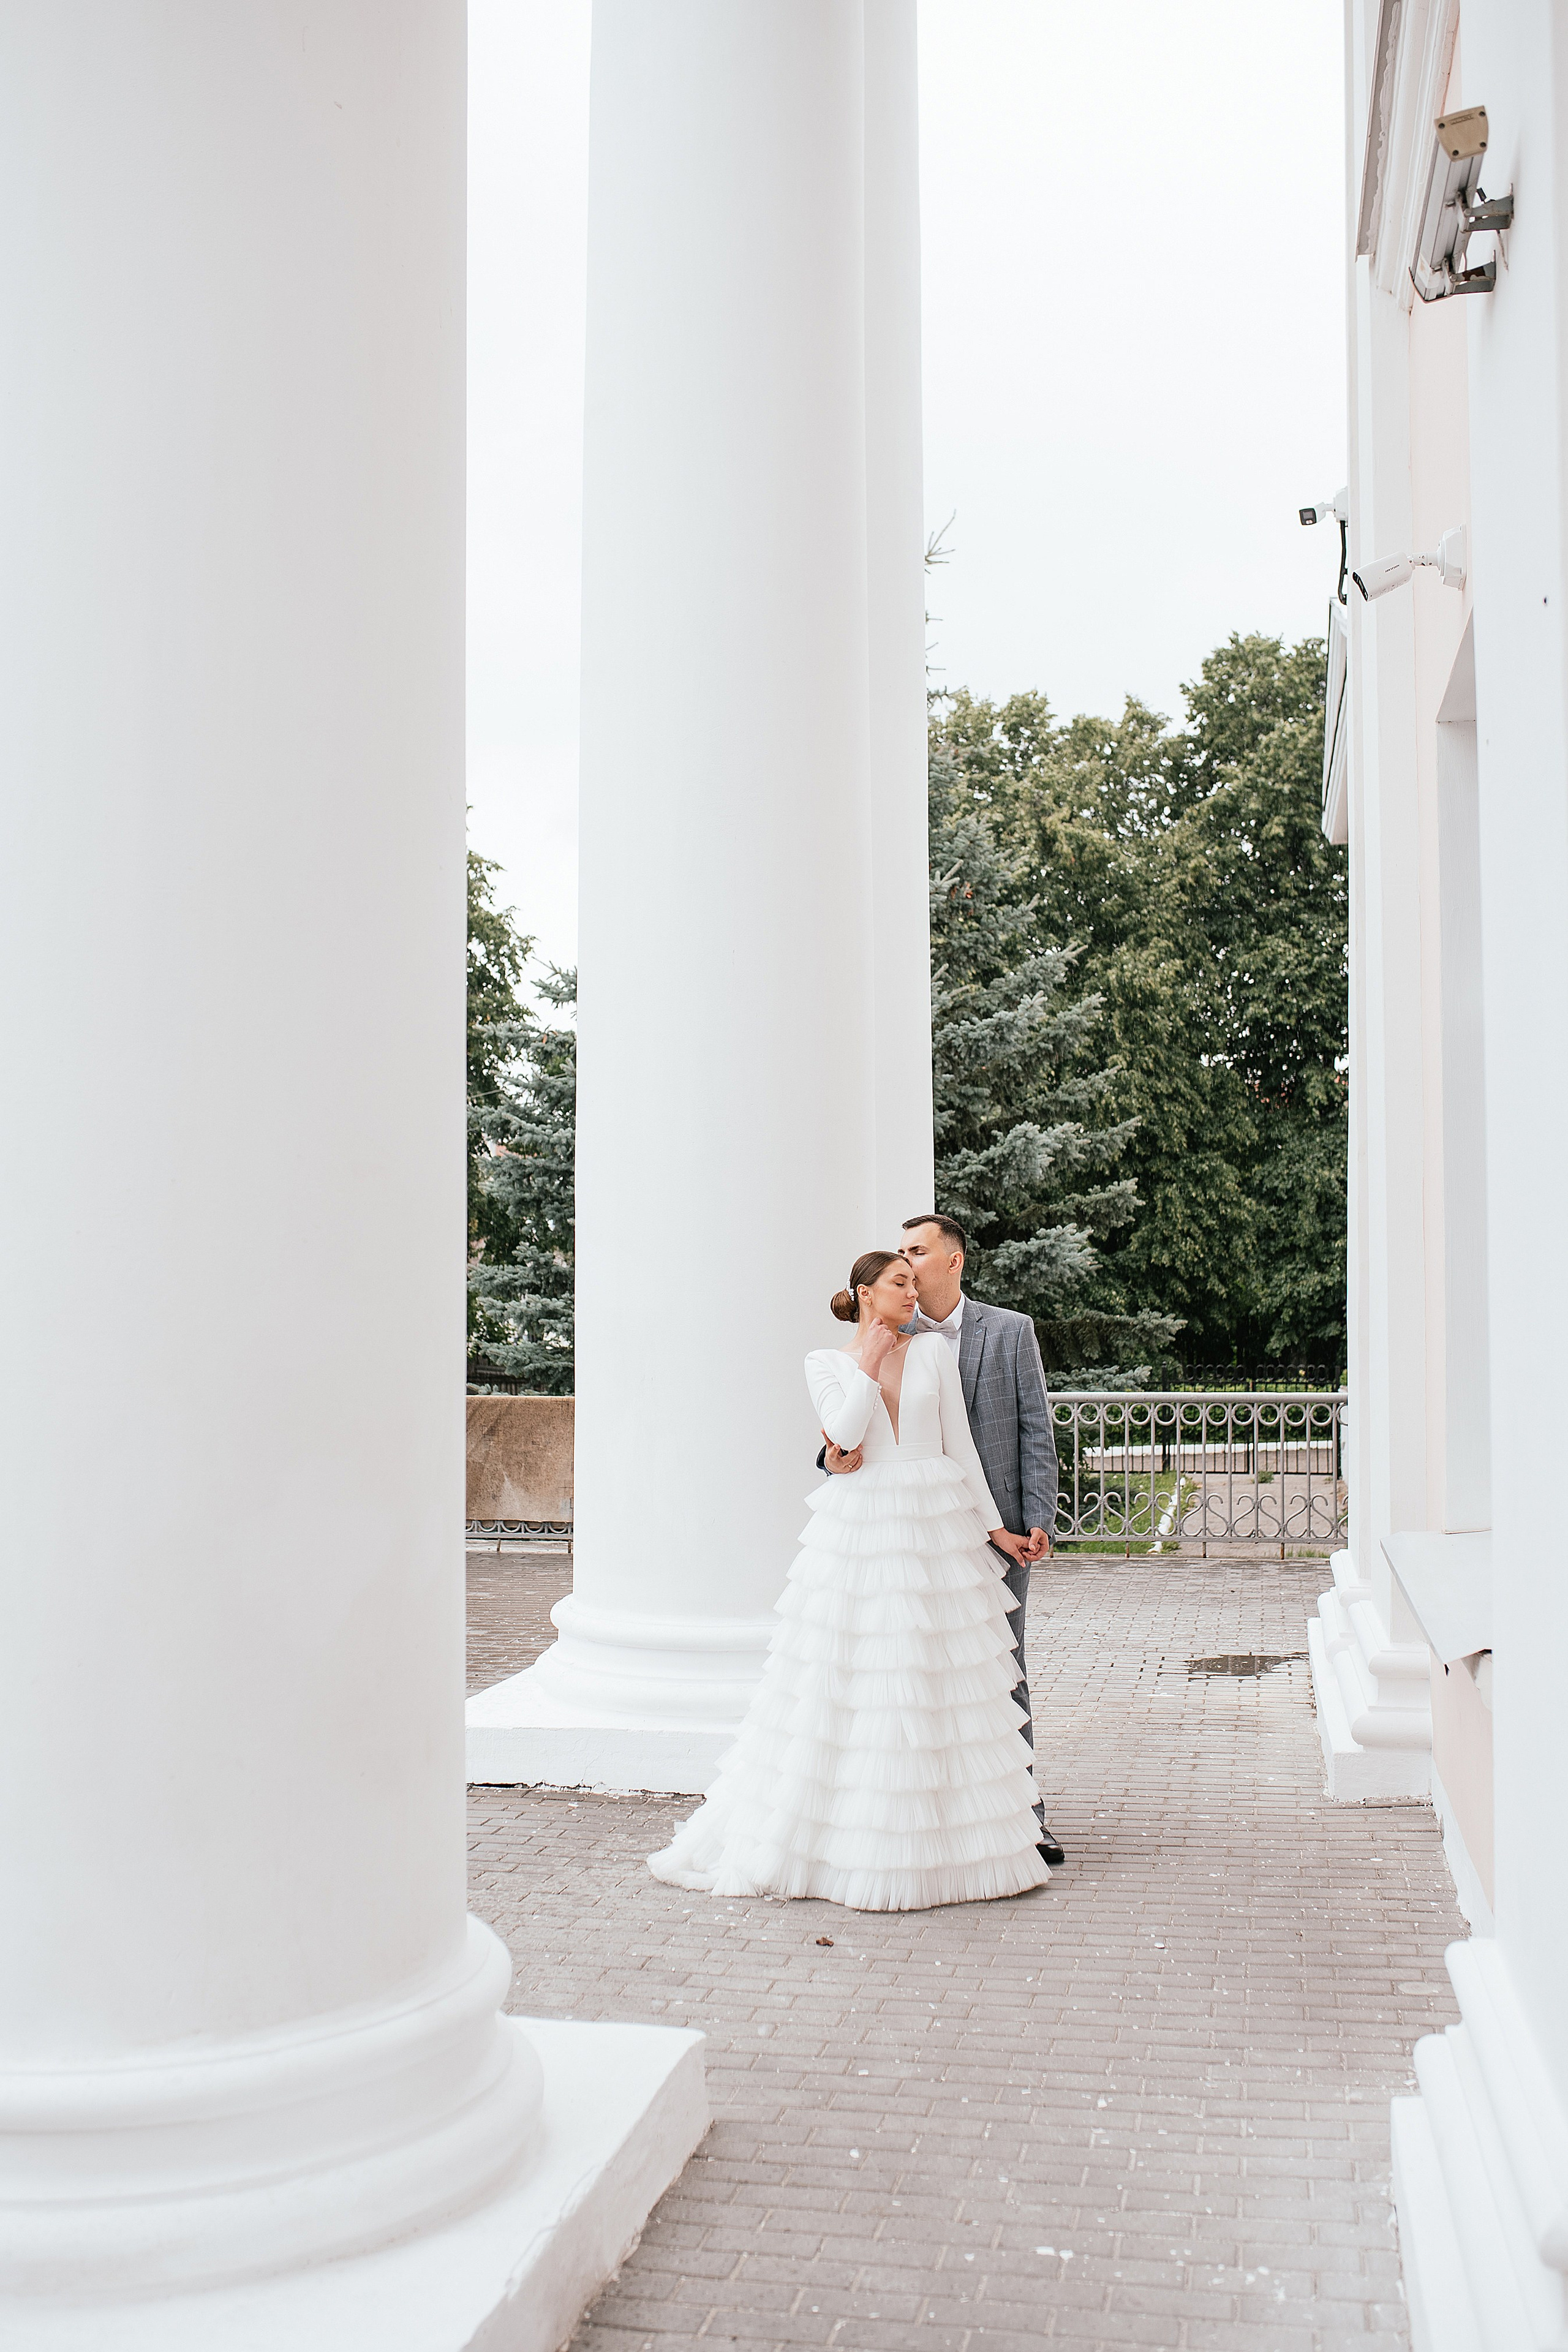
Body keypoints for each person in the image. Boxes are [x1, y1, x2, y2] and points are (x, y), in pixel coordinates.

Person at [647, 1250, 1050, 1911]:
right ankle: (848, 1843)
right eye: (900, 1282)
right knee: (857, 1675)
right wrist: (867, 1359)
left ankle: (945, 1847)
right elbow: (843, 1432)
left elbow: (962, 1449)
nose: (911, 1292)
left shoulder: (932, 1356)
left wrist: (993, 1528)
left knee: (933, 1678)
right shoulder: (825, 1363)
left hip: (935, 1526)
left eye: (915, 1283)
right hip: (862, 1526)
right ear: (865, 1293)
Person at [822, 1214, 1065, 1866]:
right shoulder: (883, 1340)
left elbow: (1034, 1429)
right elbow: (842, 1437)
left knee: (998, 1673)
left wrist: (1035, 1516)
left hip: (996, 1529)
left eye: (917, 1253)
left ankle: (1024, 1820)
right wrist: (830, 1461)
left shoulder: (1010, 1332)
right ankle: (932, 1822)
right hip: (908, 1534)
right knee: (910, 1676)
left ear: (952, 1262)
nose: (907, 1264)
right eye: (899, 1256)